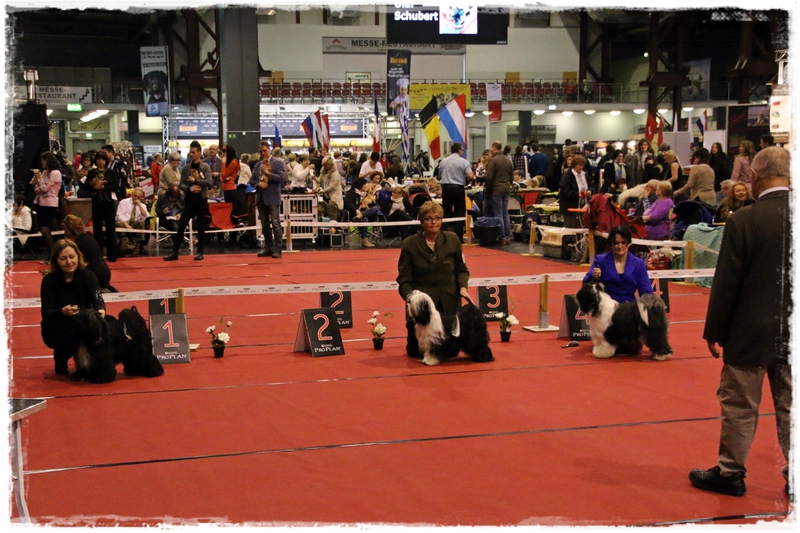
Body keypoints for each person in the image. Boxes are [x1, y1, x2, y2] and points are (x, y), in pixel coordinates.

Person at [690, 146, 791, 498]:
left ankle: (730, 472)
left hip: (750, 333)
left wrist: (714, 331)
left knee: (740, 406)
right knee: (792, 407)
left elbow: (727, 283)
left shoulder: (743, 220)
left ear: (755, 177)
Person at [397, 201, 472, 359]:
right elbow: (404, 278)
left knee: (450, 353)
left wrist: (462, 287)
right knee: (416, 353)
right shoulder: (409, 244)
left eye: (437, 218)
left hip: (449, 301)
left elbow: (462, 269)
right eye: (429, 218)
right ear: (421, 221)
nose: (433, 222)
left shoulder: (452, 239)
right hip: (423, 309)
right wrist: (412, 300)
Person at [40, 239, 106, 376]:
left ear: (78, 256)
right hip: (58, 326)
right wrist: (62, 312)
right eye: (63, 258)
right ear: (56, 260)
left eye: (72, 257)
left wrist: (101, 311)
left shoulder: (89, 276)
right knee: (70, 333)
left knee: (107, 325)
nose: (69, 262)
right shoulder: (48, 281)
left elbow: (98, 299)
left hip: (84, 322)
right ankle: (61, 358)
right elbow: (46, 312)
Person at [164, 140, 212, 261]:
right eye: (190, 152)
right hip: (190, 200)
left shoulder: (205, 167)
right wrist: (190, 188)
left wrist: (196, 181)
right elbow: (181, 185)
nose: (191, 154)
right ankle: (175, 252)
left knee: (201, 226)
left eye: (194, 152)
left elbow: (209, 182)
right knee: (181, 226)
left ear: (199, 153)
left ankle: (200, 252)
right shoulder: (186, 168)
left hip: (201, 199)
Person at [583, 225, 653, 304]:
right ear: (611, 243)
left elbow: (646, 292)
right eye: (616, 243)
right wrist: (593, 277)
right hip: (605, 306)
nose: (619, 246)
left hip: (629, 307)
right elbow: (586, 284)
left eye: (623, 243)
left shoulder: (638, 264)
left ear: (629, 243)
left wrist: (649, 306)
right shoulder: (600, 260)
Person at [78, 150, 119, 262]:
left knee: (111, 228)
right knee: (97, 229)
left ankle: (112, 255)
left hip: (108, 202)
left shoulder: (110, 172)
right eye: (99, 159)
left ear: (106, 161)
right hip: (97, 202)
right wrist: (94, 186)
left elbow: (116, 186)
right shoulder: (92, 172)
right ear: (95, 160)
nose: (101, 161)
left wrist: (104, 187)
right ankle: (98, 255)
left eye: (103, 159)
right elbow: (86, 187)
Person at [61, 215, 114, 292]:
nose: (65, 233)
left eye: (66, 231)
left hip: (98, 276)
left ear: (73, 230)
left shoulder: (81, 244)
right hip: (103, 274)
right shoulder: (87, 238)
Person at [251, 144, 286, 259]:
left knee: (276, 223)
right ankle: (269, 247)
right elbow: (252, 180)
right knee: (264, 224)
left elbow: (281, 179)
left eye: (264, 151)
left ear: (269, 149)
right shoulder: (257, 165)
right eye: (260, 151)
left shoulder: (278, 163)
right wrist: (258, 184)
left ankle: (278, 249)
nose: (262, 153)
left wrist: (268, 173)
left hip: (273, 197)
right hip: (260, 197)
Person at [437, 142, 474, 238]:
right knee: (459, 212)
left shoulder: (443, 161)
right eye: (463, 150)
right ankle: (458, 236)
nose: (463, 152)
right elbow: (471, 176)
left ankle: (444, 235)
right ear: (459, 150)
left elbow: (440, 175)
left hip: (446, 188)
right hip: (458, 188)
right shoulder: (464, 162)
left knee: (446, 211)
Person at [31, 151, 64, 255]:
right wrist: (37, 180)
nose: (42, 162)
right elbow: (37, 184)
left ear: (48, 160)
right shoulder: (45, 172)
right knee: (43, 228)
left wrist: (37, 188)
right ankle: (51, 253)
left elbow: (44, 188)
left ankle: (53, 254)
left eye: (43, 160)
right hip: (40, 203)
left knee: (45, 228)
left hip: (49, 203)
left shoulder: (55, 173)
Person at [485, 140, 514, 244]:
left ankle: (502, 236)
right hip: (506, 189)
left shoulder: (493, 161)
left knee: (498, 214)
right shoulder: (508, 160)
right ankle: (508, 236)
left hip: (496, 189)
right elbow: (511, 177)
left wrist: (488, 190)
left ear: (493, 148)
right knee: (505, 213)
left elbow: (489, 177)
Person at [343, 177, 380, 248]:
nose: (366, 186)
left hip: (367, 213)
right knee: (364, 219)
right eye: (364, 184)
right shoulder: (350, 193)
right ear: (360, 185)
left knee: (375, 208)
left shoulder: (367, 194)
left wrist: (370, 203)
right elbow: (348, 203)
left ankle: (361, 215)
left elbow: (374, 205)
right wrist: (356, 209)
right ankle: (364, 240)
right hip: (354, 215)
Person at [559, 154, 592, 228]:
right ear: (574, 165)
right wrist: (577, 194)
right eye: (579, 165)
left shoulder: (584, 174)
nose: (581, 167)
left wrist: (590, 190)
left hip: (583, 205)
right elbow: (565, 191)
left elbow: (591, 185)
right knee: (570, 227)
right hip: (569, 206)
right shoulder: (567, 176)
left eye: (583, 165)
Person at [115, 187, 150, 256]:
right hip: (124, 222)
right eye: (135, 196)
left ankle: (141, 245)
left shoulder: (142, 205)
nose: (136, 198)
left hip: (134, 223)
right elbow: (119, 215)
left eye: (138, 197)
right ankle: (122, 244)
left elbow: (145, 217)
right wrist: (126, 225)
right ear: (132, 194)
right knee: (119, 223)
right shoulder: (124, 202)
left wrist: (139, 205)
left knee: (141, 223)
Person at [315, 155, 343, 222]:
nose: (324, 167)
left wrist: (322, 191)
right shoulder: (324, 171)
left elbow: (331, 187)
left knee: (333, 216)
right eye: (323, 165)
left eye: (326, 165)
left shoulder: (335, 173)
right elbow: (319, 180)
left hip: (334, 197)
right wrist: (314, 178)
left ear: (330, 164)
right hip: (326, 196)